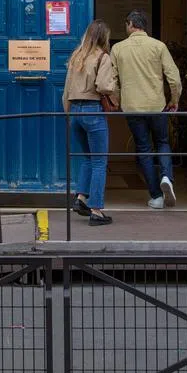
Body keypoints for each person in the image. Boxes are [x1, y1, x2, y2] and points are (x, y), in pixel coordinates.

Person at [110, 9, 182, 209]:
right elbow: (174, 78)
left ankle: (156, 196)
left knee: (143, 148)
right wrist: (174, 100)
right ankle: (167, 176)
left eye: (126, 24)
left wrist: (116, 101)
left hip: (132, 107)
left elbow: (112, 80)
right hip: (156, 105)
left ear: (131, 24)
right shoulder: (158, 46)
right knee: (162, 142)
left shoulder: (118, 48)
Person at [61, 19, 120, 226]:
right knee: (99, 162)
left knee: (87, 158)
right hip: (92, 111)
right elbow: (103, 85)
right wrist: (114, 85)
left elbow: (66, 91)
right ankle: (96, 210)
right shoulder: (102, 57)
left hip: (75, 112)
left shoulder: (77, 56)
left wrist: (70, 115)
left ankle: (80, 199)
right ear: (104, 37)